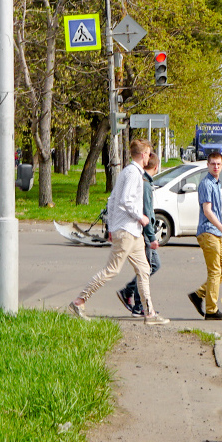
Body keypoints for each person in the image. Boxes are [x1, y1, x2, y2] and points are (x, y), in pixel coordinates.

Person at [66, 138, 163, 323]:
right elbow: (125, 201)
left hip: (131, 232)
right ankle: (79, 301)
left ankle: (149, 313)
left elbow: (111, 200)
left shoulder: (129, 171)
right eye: (148, 153)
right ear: (143, 155)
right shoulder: (134, 174)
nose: (149, 157)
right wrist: (140, 217)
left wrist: (110, 226)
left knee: (143, 269)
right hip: (127, 230)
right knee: (111, 270)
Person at [189, 150, 222, 321]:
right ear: (207, 165)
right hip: (208, 232)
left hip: (218, 233)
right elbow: (207, 211)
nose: (216, 167)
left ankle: (199, 294)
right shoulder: (206, 184)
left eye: (218, 164)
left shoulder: (217, 183)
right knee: (215, 271)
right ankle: (211, 310)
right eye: (212, 164)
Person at [118, 151, 162, 316]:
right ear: (156, 167)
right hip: (143, 233)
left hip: (141, 232)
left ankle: (132, 295)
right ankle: (137, 302)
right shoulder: (145, 184)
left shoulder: (144, 181)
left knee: (146, 267)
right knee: (151, 265)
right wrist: (151, 237)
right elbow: (146, 213)